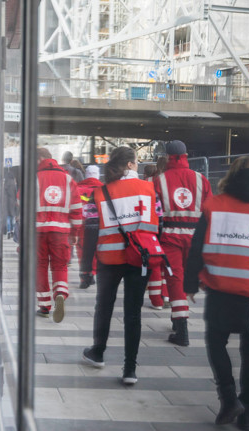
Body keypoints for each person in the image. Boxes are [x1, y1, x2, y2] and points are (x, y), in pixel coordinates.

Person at [184, 156, 249, 429]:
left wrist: (189, 284)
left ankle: (229, 398)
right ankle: (248, 413)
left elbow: (196, 248)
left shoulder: (215, 205)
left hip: (221, 288)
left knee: (216, 342)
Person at [80, 146, 159, 385]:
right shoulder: (149, 189)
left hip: (109, 259)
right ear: (130, 165)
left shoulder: (100, 192)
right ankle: (130, 370)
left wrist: (86, 266)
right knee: (133, 314)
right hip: (140, 258)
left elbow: (91, 230)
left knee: (104, 306)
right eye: (136, 161)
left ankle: (98, 352)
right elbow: (159, 221)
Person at [152, 140, 212, 346]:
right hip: (195, 236)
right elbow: (209, 212)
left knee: (174, 279)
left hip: (170, 236)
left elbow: (155, 213)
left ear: (168, 157)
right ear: (185, 155)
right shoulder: (201, 179)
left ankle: (181, 326)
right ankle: (180, 319)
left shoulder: (159, 180)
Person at [35, 148, 82, 322]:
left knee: (40, 266)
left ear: (40, 158)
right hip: (61, 232)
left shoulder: (34, 178)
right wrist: (75, 233)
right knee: (60, 266)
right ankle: (60, 293)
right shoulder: (68, 179)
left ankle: (44, 305)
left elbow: (20, 202)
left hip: (38, 232)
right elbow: (77, 209)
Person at [143, 163, 169, 310]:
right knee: (166, 263)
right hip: (169, 226)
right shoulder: (167, 182)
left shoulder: (147, 183)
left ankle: (156, 300)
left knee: (154, 263)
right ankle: (166, 295)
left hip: (152, 226)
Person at [76, 165, 103, 288]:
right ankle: (92, 272)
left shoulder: (77, 189)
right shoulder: (104, 189)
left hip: (82, 225)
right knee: (97, 250)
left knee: (82, 251)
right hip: (100, 226)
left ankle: (84, 277)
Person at [4, 170, 17, 239]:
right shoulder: (14, 184)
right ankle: (12, 230)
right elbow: (15, 193)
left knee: (8, 218)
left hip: (6, 202)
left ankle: (8, 231)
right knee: (12, 217)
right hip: (12, 202)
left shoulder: (5, 183)